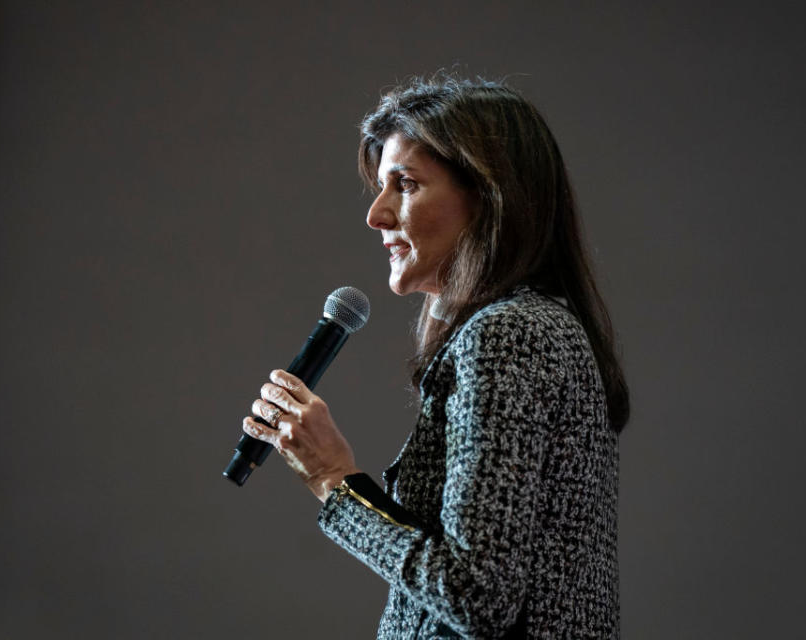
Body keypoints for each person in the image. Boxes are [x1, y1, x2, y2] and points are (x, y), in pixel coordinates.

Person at [242, 76, 630, 639]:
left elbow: (476, 596)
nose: (376, 215)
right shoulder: (535, 327)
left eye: (405, 185)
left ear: (491, 195)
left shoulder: (510, 336)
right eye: (380, 186)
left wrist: (332, 477)